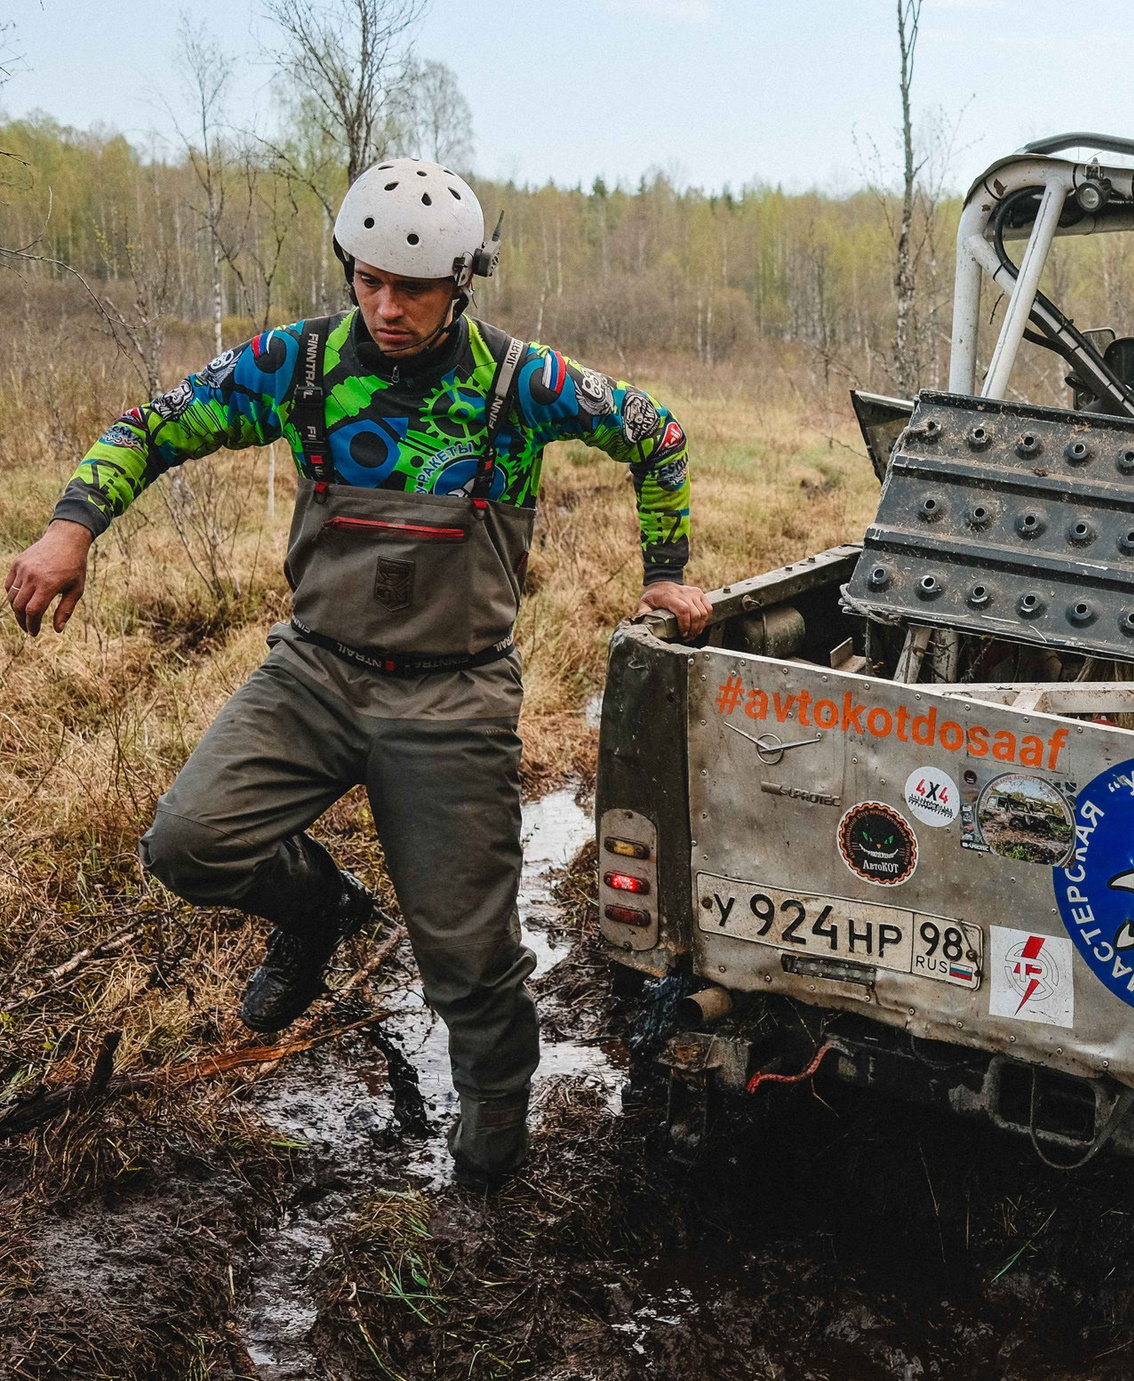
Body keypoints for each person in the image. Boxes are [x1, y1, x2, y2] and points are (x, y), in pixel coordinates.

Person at [3, 158, 712, 1187]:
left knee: (468, 958)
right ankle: (317, 909)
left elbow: (657, 434)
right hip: (315, 673)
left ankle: (491, 1149)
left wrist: (666, 573)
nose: (386, 306)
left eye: (412, 288)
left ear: (461, 282)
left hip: (455, 693)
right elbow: (152, 425)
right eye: (369, 279)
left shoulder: (519, 385)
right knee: (189, 841)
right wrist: (72, 527)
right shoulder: (299, 366)